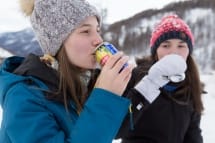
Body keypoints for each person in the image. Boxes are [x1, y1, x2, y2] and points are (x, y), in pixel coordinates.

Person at [0, 0, 133, 143]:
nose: (99, 40)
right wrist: (106, 98)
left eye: (98, 30)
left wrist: (122, 88)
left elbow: (119, 131)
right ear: (58, 43)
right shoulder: (24, 97)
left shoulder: (84, 84)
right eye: (86, 31)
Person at [116, 14, 204, 143]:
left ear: (188, 52)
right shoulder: (136, 77)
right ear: (155, 51)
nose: (174, 52)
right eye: (166, 45)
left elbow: (193, 134)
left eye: (181, 46)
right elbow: (116, 129)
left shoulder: (191, 86)